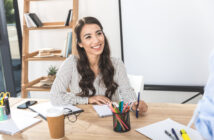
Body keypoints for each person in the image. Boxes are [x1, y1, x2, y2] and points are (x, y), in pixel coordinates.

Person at [50, 16, 148, 115]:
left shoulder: (117, 64)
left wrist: (133, 104)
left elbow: (127, 92)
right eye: (88, 37)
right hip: (83, 120)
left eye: (99, 33)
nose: (96, 40)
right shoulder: (71, 63)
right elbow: (55, 97)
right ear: (80, 43)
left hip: (112, 120)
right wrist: (88, 100)